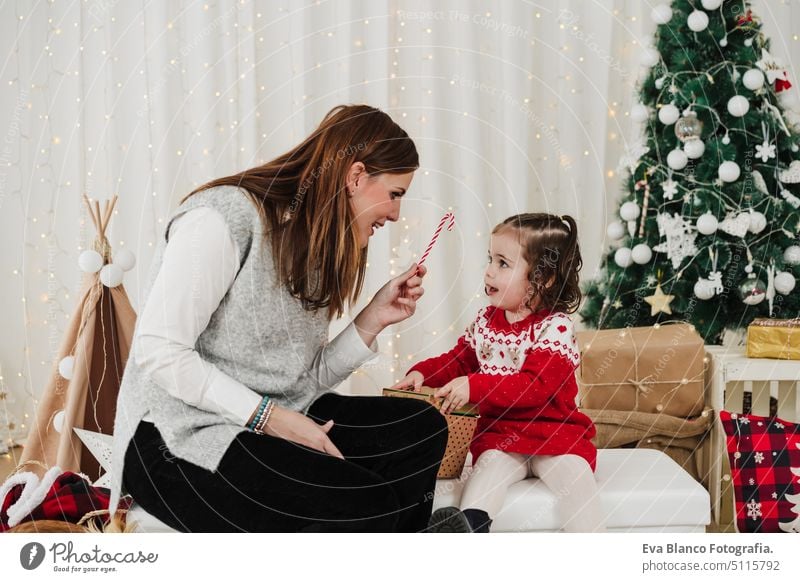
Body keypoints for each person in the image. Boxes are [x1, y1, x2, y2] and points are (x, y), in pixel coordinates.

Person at [108, 104, 449, 532]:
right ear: (356, 176)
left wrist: (371, 320)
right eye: (395, 194)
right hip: (177, 438)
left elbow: (297, 381)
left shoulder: (317, 245)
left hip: (266, 420)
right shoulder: (222, 217)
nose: (397, 214)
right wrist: (269, 418)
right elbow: (159, 352)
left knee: (421, 428)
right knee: (369, 502)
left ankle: (403, 547)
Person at [391, 213, 606, 533]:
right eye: (490, 259)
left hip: (555, 435)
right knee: (483, 478)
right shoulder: (486, 321)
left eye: (503, 263)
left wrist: (475, 387)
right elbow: (459, 361)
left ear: (542, 278)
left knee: (576, 483)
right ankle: (470, 529)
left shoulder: (554, 327)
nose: (489, 270)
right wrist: (423, 373)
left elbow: (534, 386)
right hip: (501, 436)